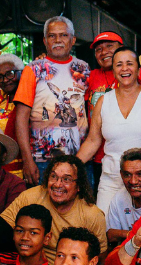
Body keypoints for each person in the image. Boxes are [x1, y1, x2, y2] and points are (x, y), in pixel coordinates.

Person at [76, 47, 141, 214]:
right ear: (114, 70)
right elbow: (93, 141)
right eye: (119, 64)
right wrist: (71, 165)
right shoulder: (103, 101)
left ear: (138, 69)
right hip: (113, 179)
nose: (124, 69)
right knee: (105, 229)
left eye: (129, 64)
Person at [14, 16, 90, 185]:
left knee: (80, 209)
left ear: (72, 40)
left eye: (63, 35)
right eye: (52, 36)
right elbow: (20, 118)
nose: (58, 40)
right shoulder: (33, 69)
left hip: (80, 159)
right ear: (45, 40)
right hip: (43, 160)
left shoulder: (84, 68)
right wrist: (27, 160)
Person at [1, 155, 107, 263]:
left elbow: (100, 260)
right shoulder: (31, 197)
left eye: (66, 179)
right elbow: (0, 229)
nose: (57, 184)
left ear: (79, 186)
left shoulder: (93, 215)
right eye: (53, 177)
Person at [85, 31, 141, 184]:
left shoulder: (139, 73)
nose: (104, 51)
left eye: (109, 46)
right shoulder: (90, 76)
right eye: (98, 49)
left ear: (121, 48)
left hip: (134, 160)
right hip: (101, 157)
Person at [105, 148, 141, 247]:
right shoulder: (119, 198)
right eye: (127, 175)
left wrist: (124, 234)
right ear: (121, 175)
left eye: (140, 174)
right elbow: (111, 235)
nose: (133, 181)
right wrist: (136, 235)